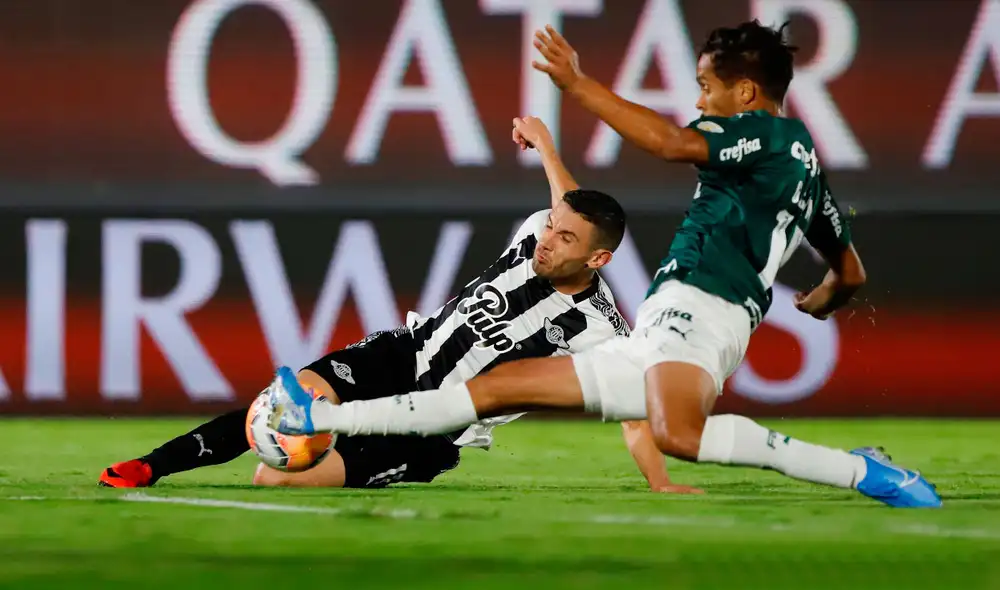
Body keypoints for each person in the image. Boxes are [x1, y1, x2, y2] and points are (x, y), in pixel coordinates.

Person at [267, 20, 941, 507]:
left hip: (702, 308)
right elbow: (850, 271)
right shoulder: (808, 169)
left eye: (708, 87)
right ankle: (315, 420)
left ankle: (862, 473)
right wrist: (827, 294)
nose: (701, 101)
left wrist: (579, 85)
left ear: (745, 93)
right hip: (669, 322)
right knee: (498, 388)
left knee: (680, 432)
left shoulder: (765, 131)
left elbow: (673, 143)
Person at [100, 117, 693, 493]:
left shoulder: (598, 329)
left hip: (436, 425)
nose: (548, 239)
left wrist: (660, 481)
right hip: (404, 352)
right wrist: (544, 144)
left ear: (598, 262)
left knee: (276, 475)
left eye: (566, 240)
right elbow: (569, 205)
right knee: (283, 406)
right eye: (552, 228)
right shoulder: (542, 229)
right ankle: (151, 466)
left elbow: (632, 411)